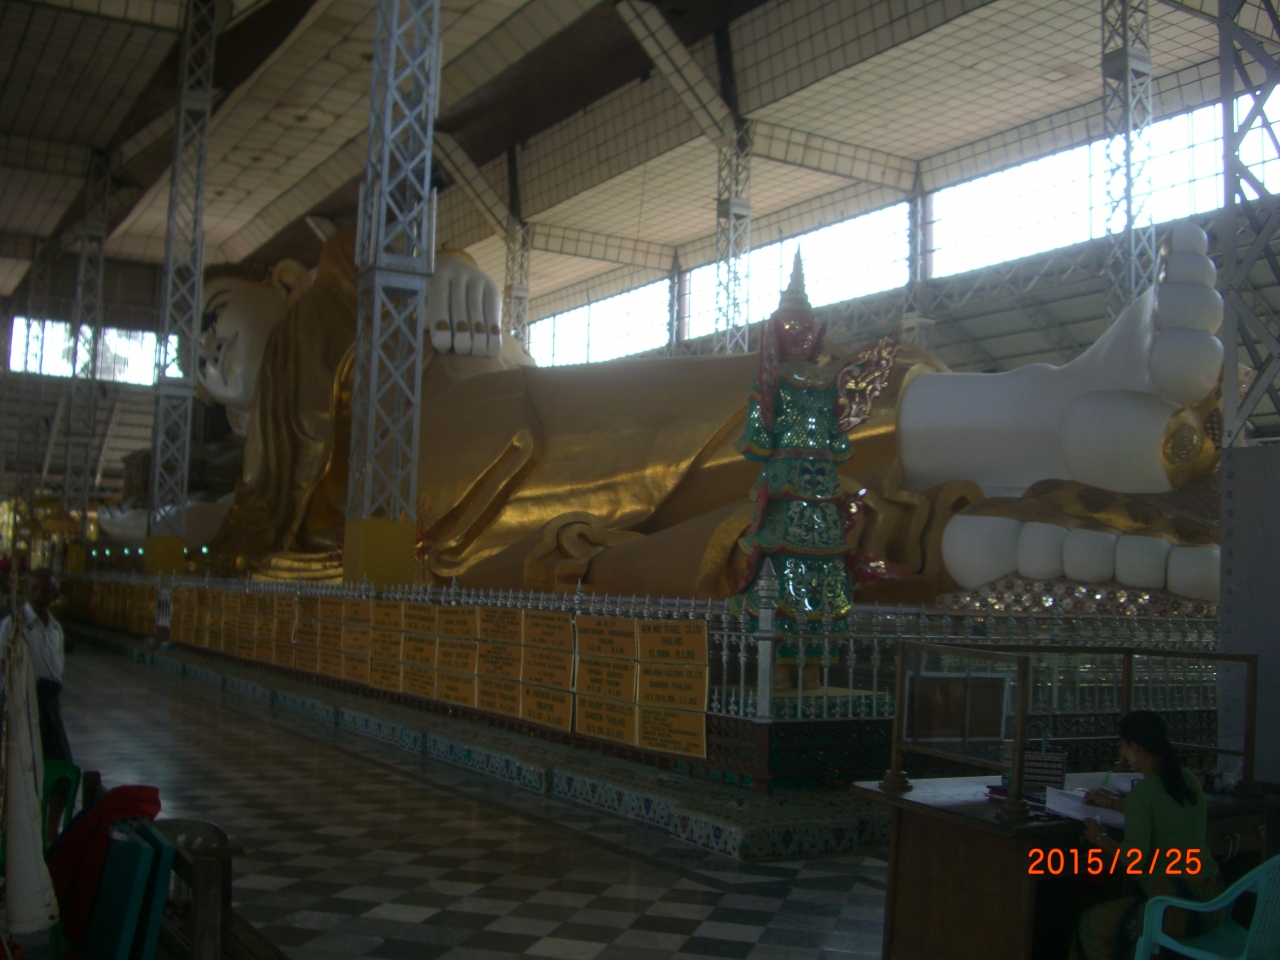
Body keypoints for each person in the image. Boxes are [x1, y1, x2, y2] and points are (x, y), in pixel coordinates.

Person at [1069, 710, 1223, 960]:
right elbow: (1160, 807)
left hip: (1175, 909)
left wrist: (1098, 838)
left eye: (1123, 745)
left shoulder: (1144, 795)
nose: (1122, 752)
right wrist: (1110, 802)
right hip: (1212, 903)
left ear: (1135, 748)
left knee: (1088, 924)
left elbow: (1132, 859)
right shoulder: (1188, 780)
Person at [0, 568, 72, 763]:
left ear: (53, 594)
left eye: (45, 590)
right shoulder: (13, 625)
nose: (39, 595)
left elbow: (56, 672)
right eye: (34, 589)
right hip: (22, 704)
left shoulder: (55, 629)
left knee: (58, 762)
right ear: (26, 590)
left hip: (48, 707)